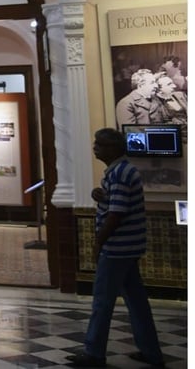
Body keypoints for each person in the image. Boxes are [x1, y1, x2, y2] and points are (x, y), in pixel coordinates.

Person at [66, 128, 164, 367]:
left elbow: (117, 213)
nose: (95, 148)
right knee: (136, 301)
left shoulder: (119, 173)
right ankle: (150, 350)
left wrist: (99, 240)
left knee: (102, 301)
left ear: (115, 148)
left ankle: (94, 352)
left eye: (100, 144)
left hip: (117, 248)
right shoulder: (120, 171)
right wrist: (99, 195)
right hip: (129, 247)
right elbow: (116, 202)